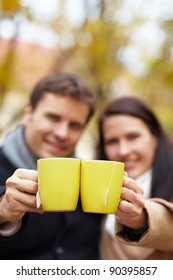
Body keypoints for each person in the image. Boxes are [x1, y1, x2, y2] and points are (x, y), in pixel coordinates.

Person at [0, 72, 144, 260]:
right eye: (53, 118)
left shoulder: (92, 179)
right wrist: (4, 212)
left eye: (75, 125)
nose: (62, 133)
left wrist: (136, 219)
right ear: (28, 112)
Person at [97, 96, 173, 260]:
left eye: (133, 137)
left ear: (155, 138)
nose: (123, 151)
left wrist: (140, 219)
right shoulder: (98, 193)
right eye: (112, 141)